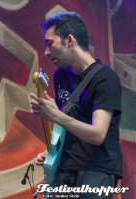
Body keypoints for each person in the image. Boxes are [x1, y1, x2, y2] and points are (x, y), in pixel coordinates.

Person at [30, 12, 123, 198]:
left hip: (95, 171)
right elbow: (68, 127)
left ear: (69, 40)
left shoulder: (105, 78)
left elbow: (97, 134)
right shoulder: (60, 76)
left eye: (50, 43)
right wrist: (53, 151)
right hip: (64, 168)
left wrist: (55, 115)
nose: (46, 52)